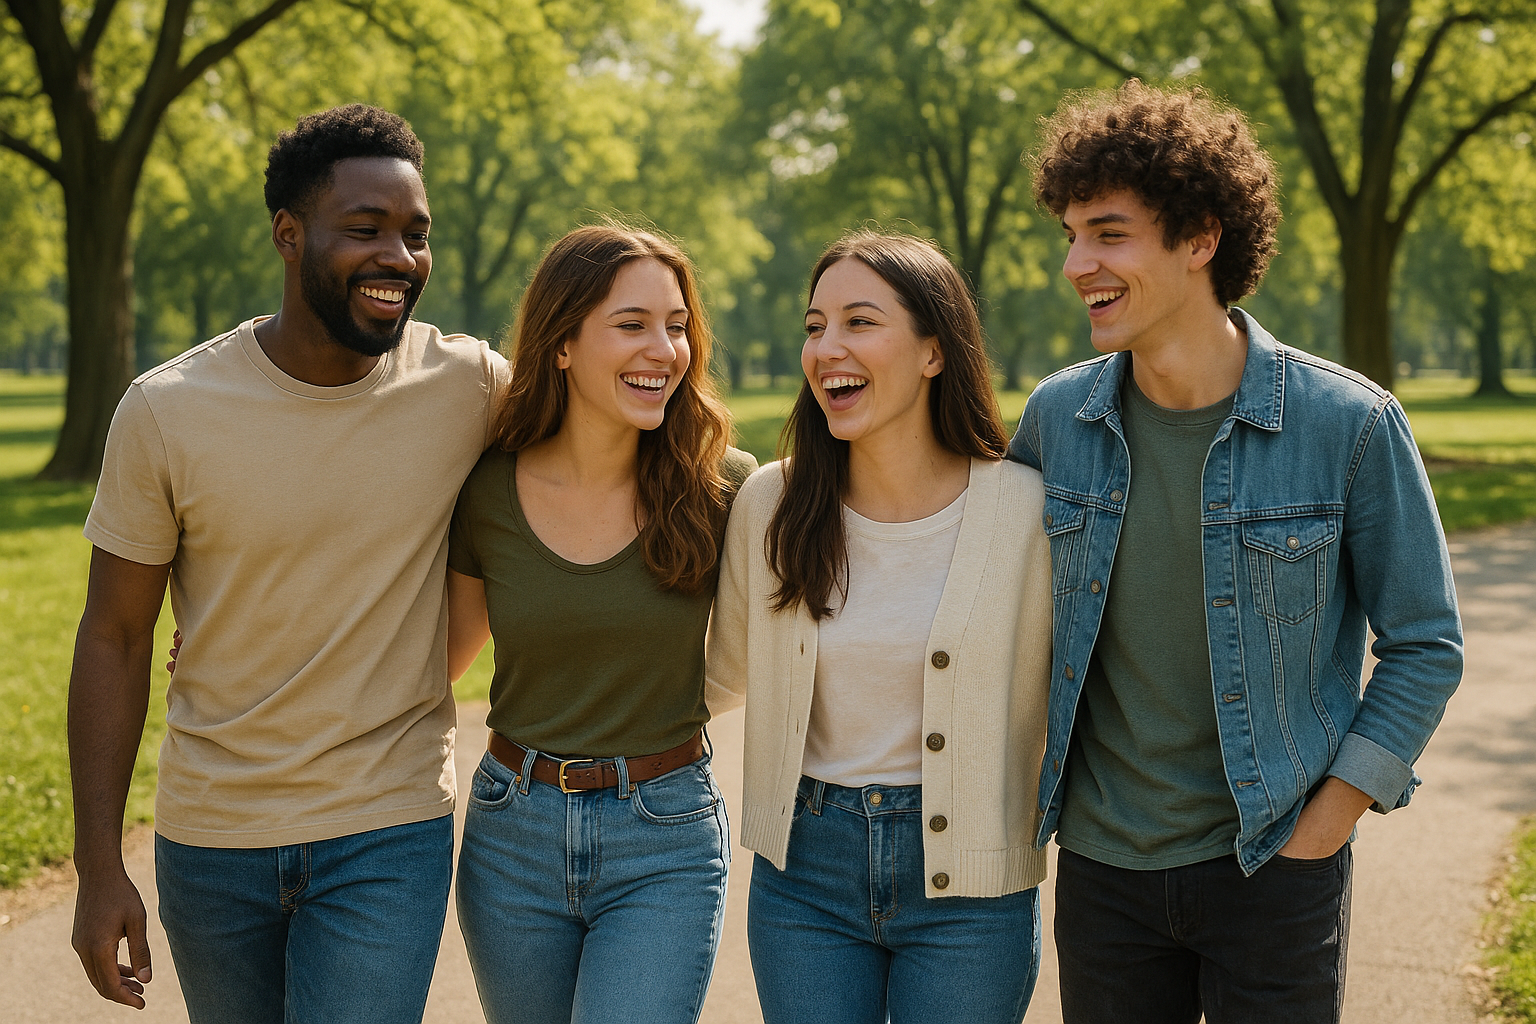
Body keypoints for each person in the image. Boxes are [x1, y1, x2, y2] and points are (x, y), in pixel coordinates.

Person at [1010, 81, 1464, 1023]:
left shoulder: (1348, 424)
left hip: (1274, 863)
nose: (1076, 264)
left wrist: (1327, 823)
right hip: (1104, 871)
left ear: (1201, 238)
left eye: (1108, 234)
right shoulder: (1057, 420)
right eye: (1071, 235)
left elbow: (1426, 643)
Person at [68, 104, 506, 1022]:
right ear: (288, 233)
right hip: (212, 836)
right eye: (367, 229)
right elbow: (114, 637)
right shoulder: (167, 411)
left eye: (416, 234)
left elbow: (604, 442)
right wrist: (99, 867)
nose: (400, 257)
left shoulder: (468, 386)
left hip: (388, 824)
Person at [707, 231, 1054, 1024]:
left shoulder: (1026, 510)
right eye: (815, 326)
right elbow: (715, 675)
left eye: (859, 322)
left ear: (935, 351)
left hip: (974, 891)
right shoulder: (771, 504)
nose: (827, 347)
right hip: (804, 878)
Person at [443, 224, 756, 1024]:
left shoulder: (723, 487)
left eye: (677, 326)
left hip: (665, 836)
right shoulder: (487, 491)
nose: (664, 350)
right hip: (512, 835)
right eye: (631, 325)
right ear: (561, 344)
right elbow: (433, 662)